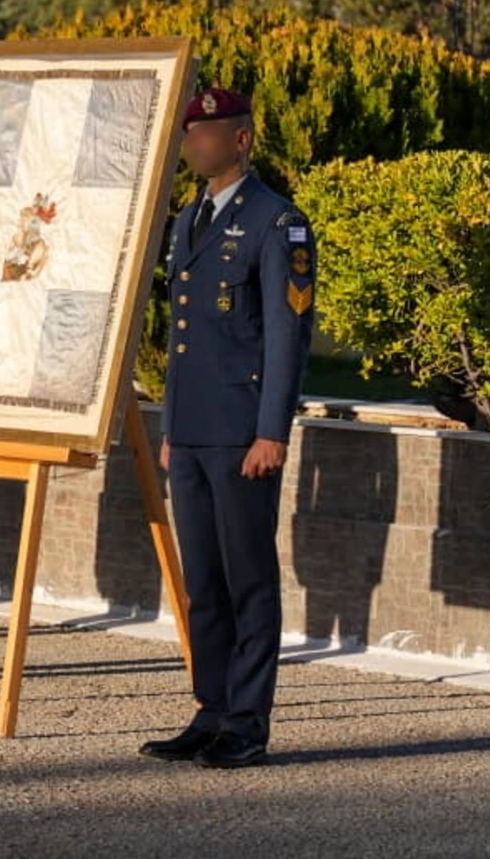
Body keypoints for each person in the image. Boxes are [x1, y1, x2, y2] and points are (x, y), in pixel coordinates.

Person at [140, 87, 316, 769]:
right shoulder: (191, 220)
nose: (194, 144)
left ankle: (247, 720)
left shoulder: (277, 223)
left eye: (207, 133)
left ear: (241, 139)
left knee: (248, 579)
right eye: (191, 133)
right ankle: (210, 708)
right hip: (193, 433)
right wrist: (172, 426)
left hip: (244, 434)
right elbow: (187, 338)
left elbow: (285, 336)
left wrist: (272, 431)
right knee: (203, 582)